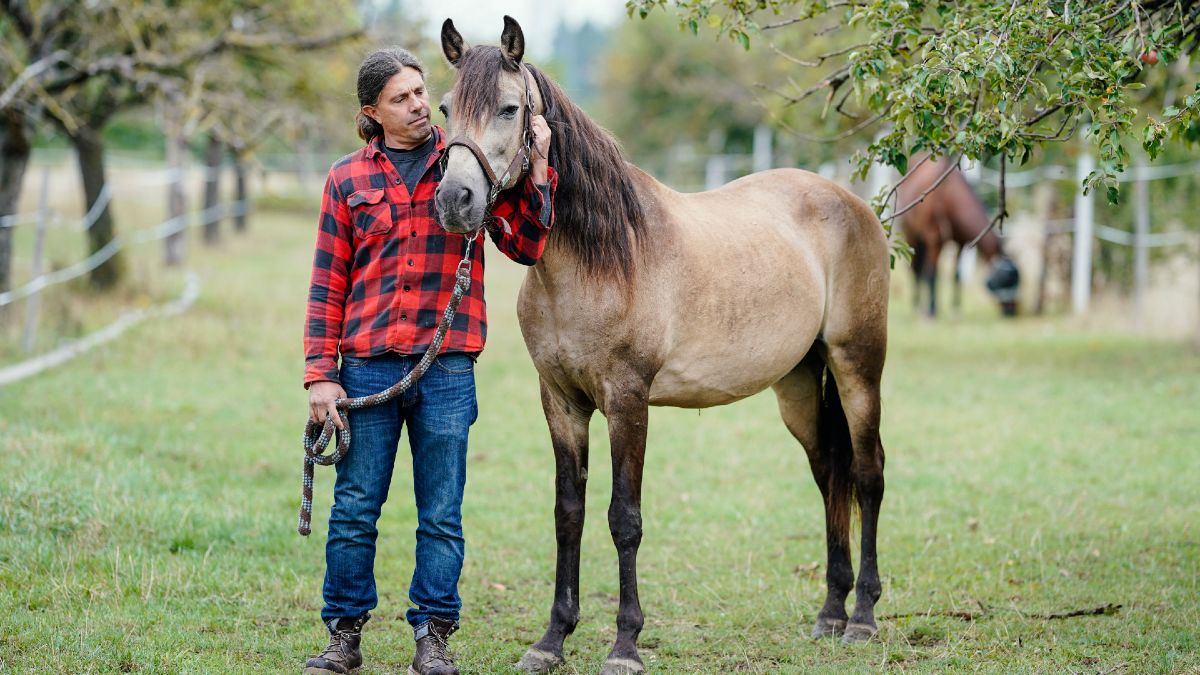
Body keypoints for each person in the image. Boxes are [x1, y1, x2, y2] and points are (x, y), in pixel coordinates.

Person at [302, 47, 554, 675]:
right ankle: (343, 635)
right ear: (372, 112)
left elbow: (524, 245)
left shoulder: (464, 161)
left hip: (447, 369)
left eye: (421, 92)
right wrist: (320, 376)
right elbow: (327, 284)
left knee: (442, 511)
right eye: (401, 98)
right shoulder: (346, 180)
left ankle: (433, 637)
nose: (417, 104)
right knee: (356, 506)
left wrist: (541, 161)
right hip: (367, 368)